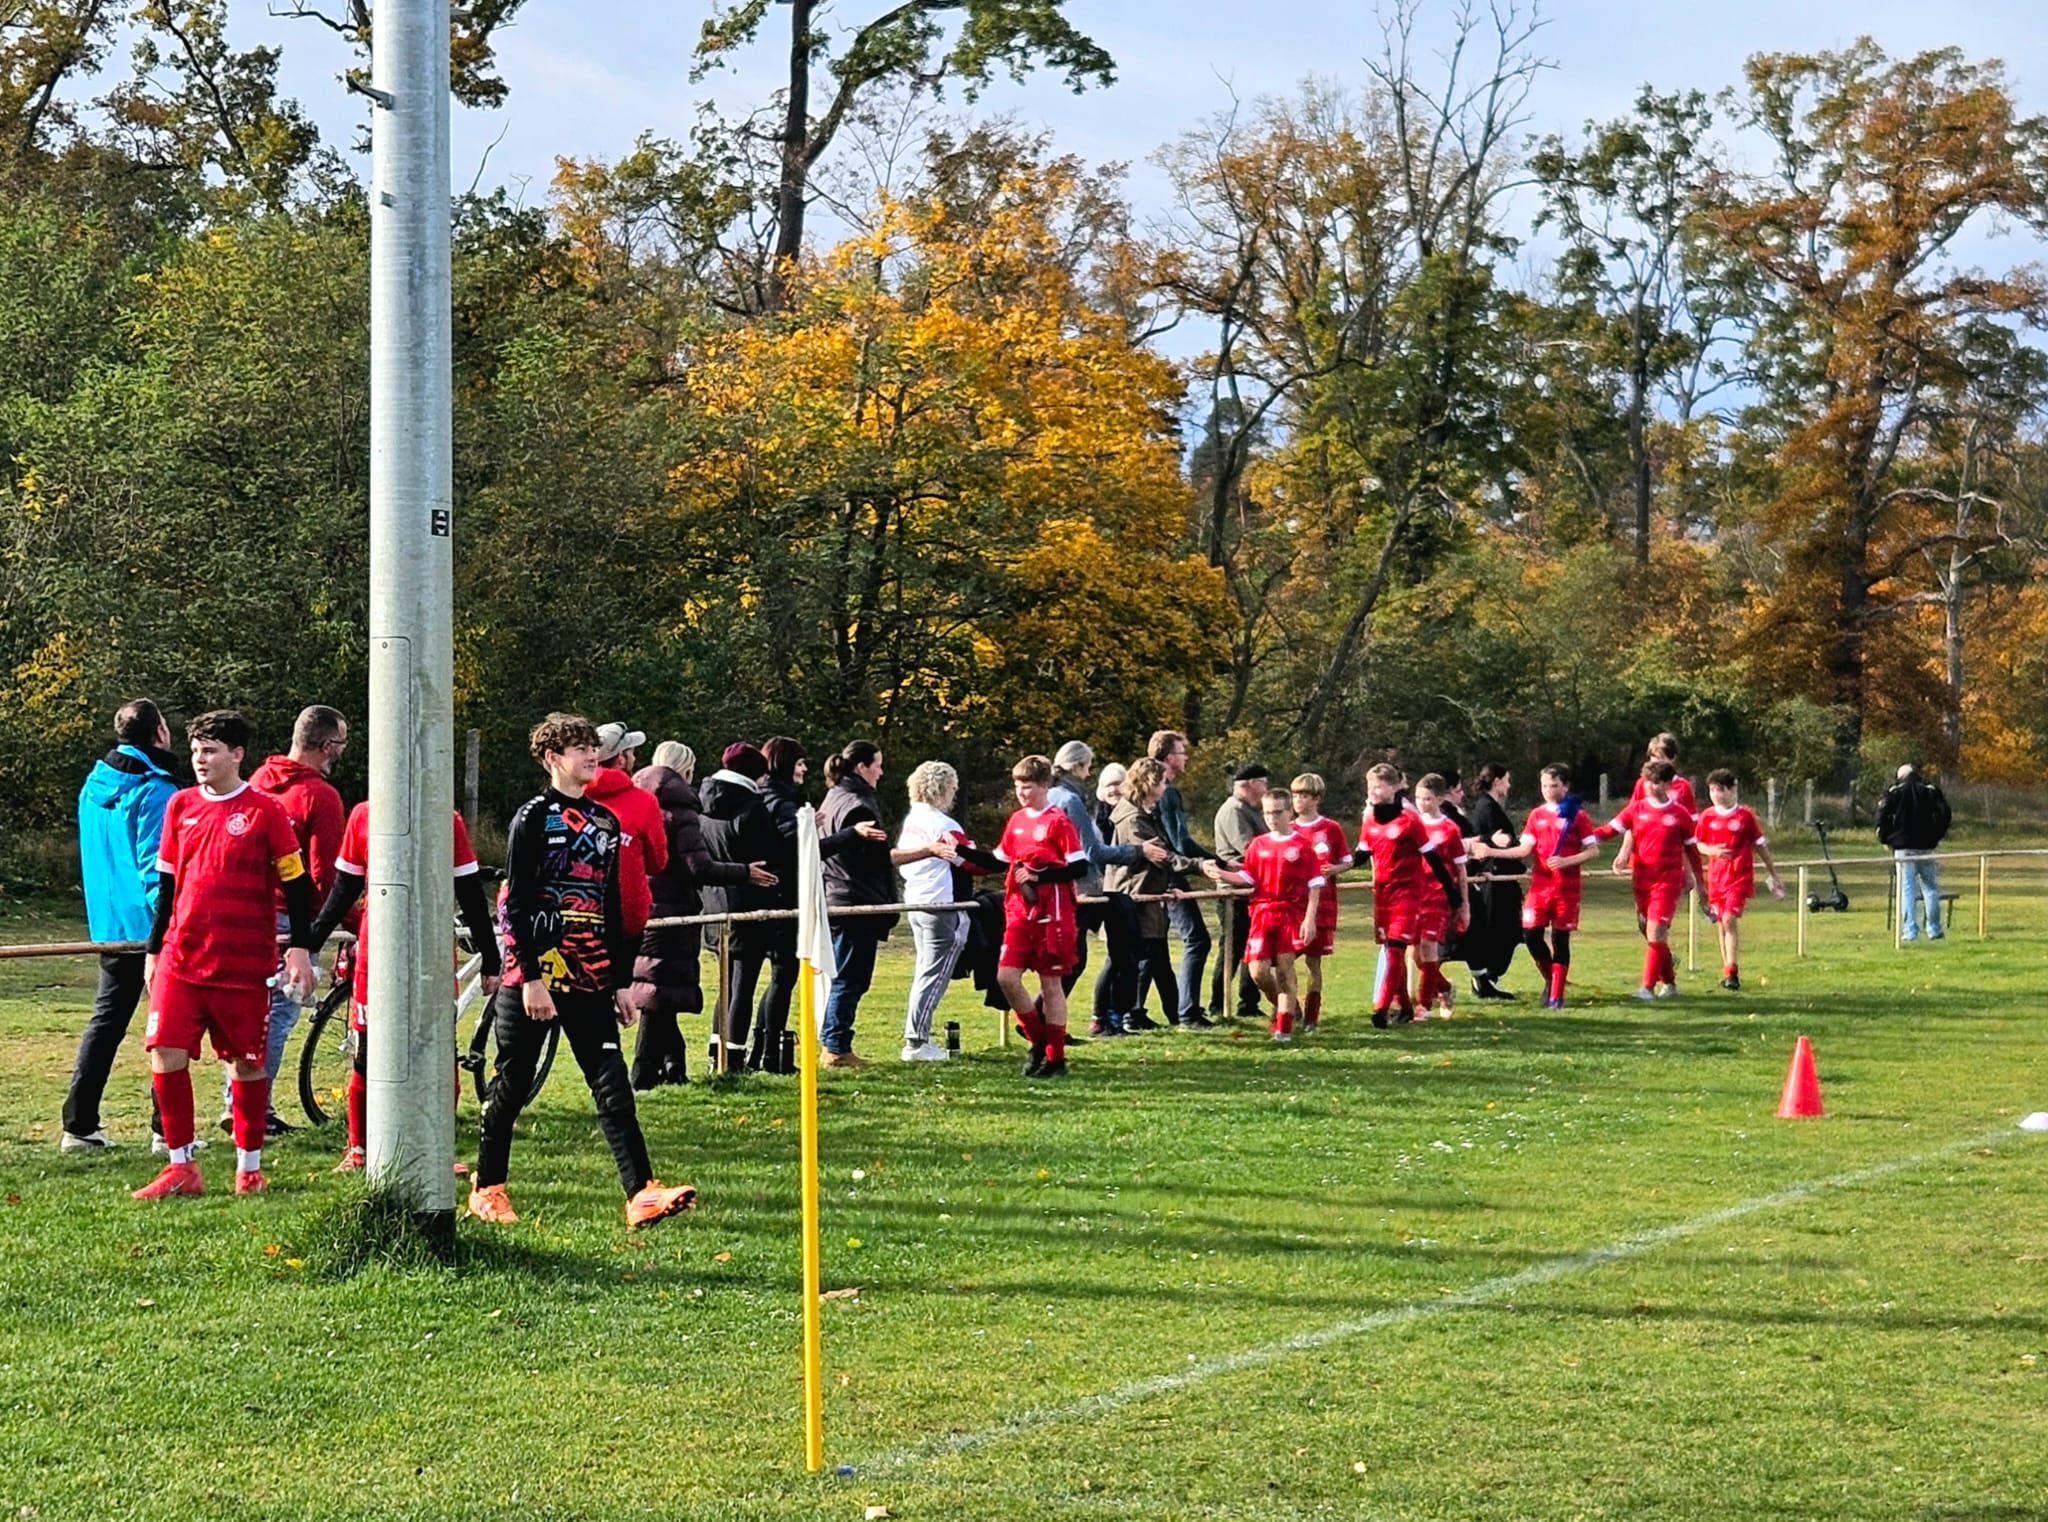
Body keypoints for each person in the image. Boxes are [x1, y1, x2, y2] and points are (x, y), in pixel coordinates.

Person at [469, 713, 697, 1229]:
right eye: (578, 749)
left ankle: (640, 1191)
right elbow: (515, 903)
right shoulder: (532, 818)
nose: (591, 756)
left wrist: (620, 980)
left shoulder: (607, 823)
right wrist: (529, 976)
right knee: (513, 1081)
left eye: (593, 747)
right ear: (553, 758)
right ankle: (488, 1187)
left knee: (611, 1080)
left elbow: (614, 904)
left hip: (591, 971)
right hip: (534, 974)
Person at [132, 710, 317, 1200]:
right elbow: (168, 886)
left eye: (210, 751)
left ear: (237, 755)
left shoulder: (266, 812)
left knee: (245, 1063)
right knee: (165, 1051)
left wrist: (300, 947)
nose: (200, 760)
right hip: (180, 956)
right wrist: (154, 949)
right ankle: (180, 1166)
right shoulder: (179, 807)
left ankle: (249, 1167)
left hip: (242, 963)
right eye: (195, 751)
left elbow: (298, 886)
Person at [306, 804, 503, 1169]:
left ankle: (436, 1148)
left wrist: (490, 958)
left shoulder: (446, 818)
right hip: (375, 955)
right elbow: (345, 887)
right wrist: (311, 941)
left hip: (431, 955)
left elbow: (470, 891)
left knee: (439, 1052)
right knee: (367, 1053)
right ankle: (359, 1148)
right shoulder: (364, 815)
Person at [63, 700, 180, 1153]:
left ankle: (79, 1125)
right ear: (160, 733)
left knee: (107, 1021)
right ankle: (165, 1128)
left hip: (110, 922)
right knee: (166, 1026)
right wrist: (167, 924)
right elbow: (157, 866)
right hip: (150, 928)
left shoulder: (94, 785)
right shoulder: (155, 790)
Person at [230, 704, 348, 1135]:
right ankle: (252, 1110)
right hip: (286, 919)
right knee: (277, 1015)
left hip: (244, 910)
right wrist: (349, 914)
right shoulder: (320, 796)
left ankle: (236, 1100)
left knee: (247, 1014)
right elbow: (325, 873)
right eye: (342, 743)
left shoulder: (258, 782)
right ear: (328, 745)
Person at [629, 742, 774, 1088]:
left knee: (657, 989)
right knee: (658, 994)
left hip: (641, 905)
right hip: (673, 907)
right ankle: (643, 1074)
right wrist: (744, 872)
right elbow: (698, 866)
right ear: (687, 771)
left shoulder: (634, 802)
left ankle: (673, 1067)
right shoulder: (680, 811)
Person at [740, 738, 883, 1070]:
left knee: (775, 979)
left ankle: (763, 1052)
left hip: (795, 895)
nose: (805, 769)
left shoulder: (783, 798)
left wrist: (811, 827)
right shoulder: (779, 801)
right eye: (800, 763)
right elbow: (798, 852)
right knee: (785, 977)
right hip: (788, 897)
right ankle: (781, 1054)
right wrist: (853, 833)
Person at [1047, 741, 1162, 1038]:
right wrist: (1138, 851)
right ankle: (1042, 1019)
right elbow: (1092, 852)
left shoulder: (1051, 795)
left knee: (1074, 958)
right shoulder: (1069, 801)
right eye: (1087, 767)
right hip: (1080, 888)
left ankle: (1047, 1021)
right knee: (1076, 959)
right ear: (1078, 766)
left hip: (1063, 888)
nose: (1088, 774)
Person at [994, 754, 1092, 1078]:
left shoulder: (1058, 822)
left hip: (1054, 911)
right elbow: (999, 859)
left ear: (1045, 786)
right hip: (1020, 912)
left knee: (1051, 984)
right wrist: (958, 853)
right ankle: (1039, 1040)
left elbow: (1079, 866)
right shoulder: (1017, 820)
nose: (1022, 793)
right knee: (1006, 977)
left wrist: (1040, 877)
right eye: (1018, 786)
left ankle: (1056, 1057)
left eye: (1029, 786)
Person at [1105, 758, 1221, 1031]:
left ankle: (1172, 1015)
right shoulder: (1133, 819)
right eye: (1162, 782)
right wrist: (1198, 865)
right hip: (1134, 897)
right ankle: (1112, 1017)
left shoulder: (1144, 812)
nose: (1165, 787)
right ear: (1150, 783)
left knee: (1154, 954)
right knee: (1127, 960)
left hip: (1149, 894)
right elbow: (1162, 856)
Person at [1475, 763, 1601, 1010]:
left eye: (1553, 785)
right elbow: (1524, 849)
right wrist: (1492, 851)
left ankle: (1556, 995)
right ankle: (1550, 979)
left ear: (1565, 786)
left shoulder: (1578, 816)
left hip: (1567, 887)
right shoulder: (1536, 816)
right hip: (1541, 886)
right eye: (1544, 785)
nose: (1548, 790)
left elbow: (1593, 850)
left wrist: (1567, 861)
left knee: (1560, 939)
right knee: (1531, 935)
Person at [1351, 763, 1460, 1027]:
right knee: (1397, 952)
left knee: (1399, 951)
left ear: (1393, 787)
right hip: (1383, 897)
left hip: (1409, 895)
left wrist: (1453, 893)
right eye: (1370, 786)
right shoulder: (1369, 819)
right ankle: (1408, 1006)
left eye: (1378, 786)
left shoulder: (1409, 819)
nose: (1373, 792)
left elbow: (1433, 858)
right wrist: (1331, 867)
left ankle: (1383, 1009)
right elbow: (1360, 856)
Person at [1215, 790, 1323, 1041]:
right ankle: (1290, 1007)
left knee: (1285, 971)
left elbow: (1315, 883)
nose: (1272, 818)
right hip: (1262, 914)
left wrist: (1309, 919)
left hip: (1289, 913)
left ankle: (1283, 1028)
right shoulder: (1258, 844)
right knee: (1258, 972)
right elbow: (1248, 878)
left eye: (1277, 812)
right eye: (1267, 813)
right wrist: (1219, 874)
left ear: (1288, 812)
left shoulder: (1301, 846)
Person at [1594, 760, 1704, 1000]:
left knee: (1655, 930)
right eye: (1646, 781)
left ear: (1666, 784)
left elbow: (1692, 851)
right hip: (1642, 878)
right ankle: (1670, 984)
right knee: (1649, 931)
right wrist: (1581, 837)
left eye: (1654, 782)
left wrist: (1698, 880)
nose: (1648, 786)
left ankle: (1646, 988)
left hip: (1668, 880)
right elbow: (1609, 830)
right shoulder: (1637, 809)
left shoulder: (1679, 814)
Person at [817, 740, 898, 1068]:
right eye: (877, 764)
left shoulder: (833, 796)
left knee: (841, 973)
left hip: (835, 894)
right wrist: (927, 851)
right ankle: (836, 1046)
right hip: (857, 898)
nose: (881, 771)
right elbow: (879, 858)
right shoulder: (859, 805)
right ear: (862, 767)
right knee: (851, 977)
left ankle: (832, 1042)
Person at [894, 761, 974, 1061]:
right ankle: (916, 1040)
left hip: (917, 900)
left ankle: (917, 1036)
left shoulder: (913, 818)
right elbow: (969, 861)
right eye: (952, 788)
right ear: (943, 789)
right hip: (941, 902)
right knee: (934, 974)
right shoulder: (944, 824)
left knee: (925, 971)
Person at [1694, 768, 1785, 990]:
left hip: (1738, 877)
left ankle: (1732, 972)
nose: (1716, 795)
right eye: (1713, 790)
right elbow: (1698, 844)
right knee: (1720, 924)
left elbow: (1760, 846)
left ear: (1733, 790)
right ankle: (1726, 969)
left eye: (1721, 790)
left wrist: (1773, 874)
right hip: (1716, 879)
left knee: (1728, 920)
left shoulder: (1744, 816)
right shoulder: (1707, 817)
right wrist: (1712, 850)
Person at [1147, 730, 1216, 1026]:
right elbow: (1180, 841)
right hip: (1169, 874)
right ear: (1170, 757)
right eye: (1183, 752)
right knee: (1197, 940)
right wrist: (1211, 862)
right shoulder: (1168, 792)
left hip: (1155, 874)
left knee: (1153, 944)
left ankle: (1134, 1013)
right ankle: (1187, 1012)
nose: (1186, 758)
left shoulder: (1152, 787)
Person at [585, 722, 669, 945]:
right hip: (626, 918)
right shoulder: (643, 802)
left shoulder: (572, 797)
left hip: (576, 916)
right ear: (621, 759)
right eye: (631, 752)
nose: (634, 758)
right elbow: (657, 863)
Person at [1287, 773, 1349, 1032]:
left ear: (1316, 799)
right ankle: (1289, 1007)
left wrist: (1334, 869)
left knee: (1313, 962)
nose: (1298, 801)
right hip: (1295, 905)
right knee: (1285, 959)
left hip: (1322, 905)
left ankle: (1312, 1015)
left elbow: (1347, 860)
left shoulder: (1330, 829)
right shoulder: (1289, 829)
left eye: (1303, 796)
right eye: (1295, 795)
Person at [1210, 763, 1270, 1023]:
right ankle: (1218, 1003)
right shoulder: (1234, 810)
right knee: (1231, 948)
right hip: (1233, 890)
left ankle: (1248, 1002)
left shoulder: (1249, 810)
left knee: (1251, 947)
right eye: (1264, 783)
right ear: (1251, 784)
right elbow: (1248, 848)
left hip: (1250, 890)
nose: (1266, 789)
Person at [1410, 774, 1471, 1020]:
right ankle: (1444, 988)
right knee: (1415, 955)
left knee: (1429, 946)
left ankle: (1423, 1007)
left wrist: (1464, 904)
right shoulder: (1412, 825)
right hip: (1413, 894)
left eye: (1427, 798)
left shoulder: (1449, 829)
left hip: (1438, 896)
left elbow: (1460, 869)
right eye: (1418, 798)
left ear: (1439, 798)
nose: (1422, 803)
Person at [1462, 763, 1523, 1000]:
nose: (1508, 784)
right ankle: (1486, 978)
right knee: (1503, 931)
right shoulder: (1487, 808)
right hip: (1495, 879)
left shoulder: (1490, 807)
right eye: (1506, 779)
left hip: (1502, 876)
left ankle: (1487, 979)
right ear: (1497, 781)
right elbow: (1493, 843)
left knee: (1507, 932)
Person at [1090, 763, 1143, 1033]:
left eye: (1119, 784)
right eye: (1109, 785)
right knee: (1114, 958)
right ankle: (1101, 1015)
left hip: (1123, 891)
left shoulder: (1129, 813)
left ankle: (1127, 1012)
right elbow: (1099, 855)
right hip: (1109, 890)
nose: (1114, 790)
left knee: (1125, 957)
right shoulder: (1100, 819)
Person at [1878, 762, 1953, 941]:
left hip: (1903, 848)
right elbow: (1945, 814)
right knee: (1931, 888)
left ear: (1901, 776)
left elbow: (1882, 818)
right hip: (1927, 846)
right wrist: (1937, 835)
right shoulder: (1930, 790)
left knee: (1907, 889)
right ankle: (1934, 929)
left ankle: (1910, 931)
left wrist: (1886, 839)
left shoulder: (1894, 792)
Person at [1629, 732, 1698, 813]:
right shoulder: (1643, 783)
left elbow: (1692, 817)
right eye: (1653, 757)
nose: (1656, 761)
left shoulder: (1682, 786)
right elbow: (1632, 811)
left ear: (1672, 759)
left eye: (1661, 758)